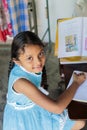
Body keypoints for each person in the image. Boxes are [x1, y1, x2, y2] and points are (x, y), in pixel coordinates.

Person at [3, 31, 86, 130]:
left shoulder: (27, 66)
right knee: (79, 122)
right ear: (17, 61)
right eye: (30, 58)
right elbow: (57, 108)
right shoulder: (21, 83)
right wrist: (76, 83)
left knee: (80, 121)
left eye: (41, 53)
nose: (38, 62)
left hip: (33, 108)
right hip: (23, 121)